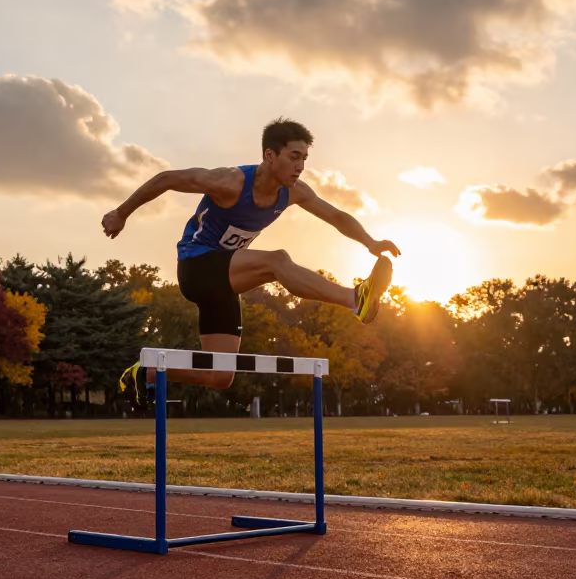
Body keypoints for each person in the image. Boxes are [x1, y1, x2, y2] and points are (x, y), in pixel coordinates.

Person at [102, 118, 400, 406]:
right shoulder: (230, 182)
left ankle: (148, 370)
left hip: (224, 284)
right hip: (197, 267)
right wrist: (121, 213)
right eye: (294, 156)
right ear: (270, 155)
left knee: (220, 376)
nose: (300, 166)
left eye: (305, 158)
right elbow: (168, 179)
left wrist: (370, 243)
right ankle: (353, 299)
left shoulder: (293, 192)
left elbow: (336, 216)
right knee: (277, 261)